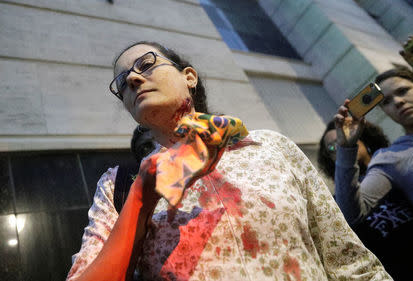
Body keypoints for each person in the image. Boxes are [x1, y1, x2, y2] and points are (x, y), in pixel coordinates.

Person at [67, 41, 392, 281]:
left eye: (147, 64)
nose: (134, 79)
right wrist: (142, 194)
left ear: (189, 77)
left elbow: (348, 261)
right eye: (122, 82)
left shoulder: (270, 147)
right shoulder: (118, 185)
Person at [333, 68, 413, 274]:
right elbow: (352, 213)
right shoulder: (391, 158)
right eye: (386, 101)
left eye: (403, 91)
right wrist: (346, 148)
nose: (398, 102)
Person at [319, 121, 413, 280]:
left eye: (344, 138)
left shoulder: (395, 165)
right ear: (330, 160)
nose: (340, 146)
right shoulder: (338, 202)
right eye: (332, 147)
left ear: (363, 138)